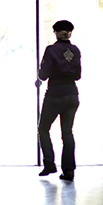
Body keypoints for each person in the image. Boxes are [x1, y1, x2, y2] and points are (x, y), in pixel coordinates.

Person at [37, 20, 81, 181]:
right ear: (70, 33)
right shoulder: (75, 50)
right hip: (72, 94)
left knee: (43, 129)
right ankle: (68, 171)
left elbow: (43, 75)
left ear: (55, 32)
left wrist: (41, 71)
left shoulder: (51, 50)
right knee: (67, 133)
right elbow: (78, 75)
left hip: (55, 94)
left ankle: (49, 163)